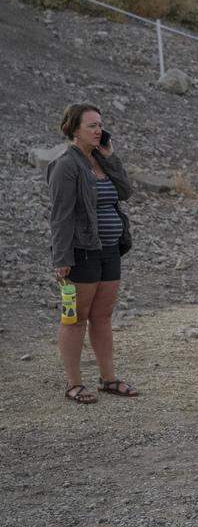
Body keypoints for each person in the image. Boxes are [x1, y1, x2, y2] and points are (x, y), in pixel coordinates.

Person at [48, 103, 137, 404]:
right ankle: (73, 384)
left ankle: (108, 379)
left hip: (110, 251)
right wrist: (61, 259)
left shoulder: (100, 159)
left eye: (100, 125)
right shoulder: (66, 165)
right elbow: (60, 215)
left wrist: (111, 158)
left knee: (102, 316)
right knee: (75, 318)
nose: (99, 130)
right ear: (74, 130)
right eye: (92, 126)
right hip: (81, 252)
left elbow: (125, 191)